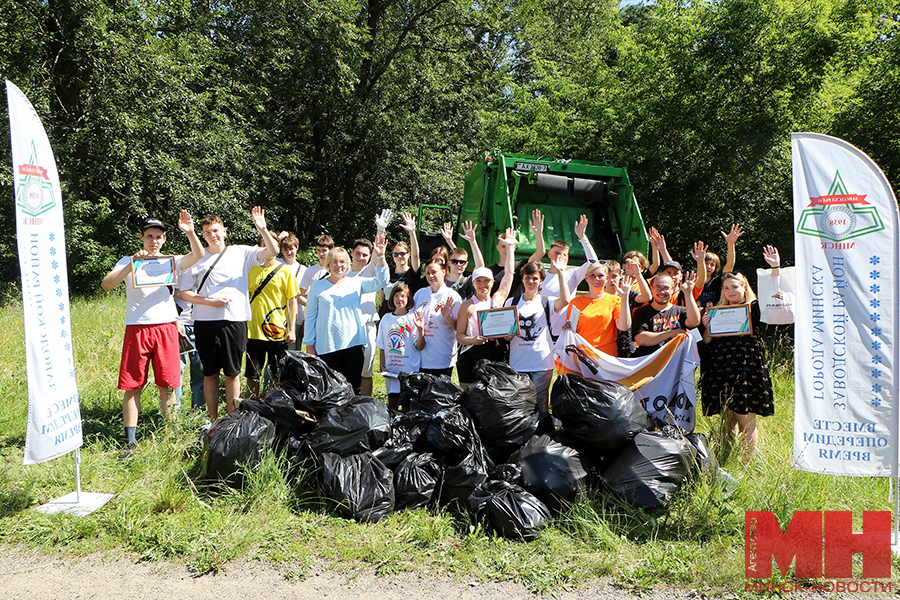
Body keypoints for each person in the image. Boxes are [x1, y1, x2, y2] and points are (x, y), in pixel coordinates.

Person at [100, 211, 204, 454]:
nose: (153, 241)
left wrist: (190, 231)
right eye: (149, 236)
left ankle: (171, 436)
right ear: (141, 238)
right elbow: (106, 284)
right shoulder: (128, 260)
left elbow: (198, 255)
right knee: (132, 385)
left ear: (164, 239)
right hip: (137, 327)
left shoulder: (171, 260)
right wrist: (132, 265)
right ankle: (130, 442)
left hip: (166, 327)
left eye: (158, 236)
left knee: (167, 383)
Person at [178, 207, 278, 421]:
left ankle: (232, 419)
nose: (212, 235)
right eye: (206, 232)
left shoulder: (241, 252)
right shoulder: (195, 258)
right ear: (202, 235)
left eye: (215, 230)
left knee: (233, 373)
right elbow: (185, 293)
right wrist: (209, 302)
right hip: (205, 322)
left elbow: (272, 252)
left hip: (234, 320)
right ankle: (213, 420)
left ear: (224, 231)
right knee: (209, 373)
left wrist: (263, 229)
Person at [700, 246, 779, 461]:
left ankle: (745, 465)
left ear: (744, 287)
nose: (730, 291)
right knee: (726, 419)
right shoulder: (714, 311)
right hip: (721, 367)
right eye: (726, 288)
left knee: (746, 419)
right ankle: (724, 459)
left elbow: (775, 294)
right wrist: (707, 327)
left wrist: (775, 268)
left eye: (734, 286)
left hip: (747, 368)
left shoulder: (755, 308)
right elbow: (707, 342)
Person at [303, 235, 389, 394]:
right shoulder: (317, 286)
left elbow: (381, 281)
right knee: (329, 389)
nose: (338, 265)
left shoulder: (356, 282)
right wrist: (310, 345)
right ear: (328, 264)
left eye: (342, 262)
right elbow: (310, 317)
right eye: (334, 261)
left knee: (352, 387)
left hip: (353, 345)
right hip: (326, 345)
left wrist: (381, 256)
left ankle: (349, 418)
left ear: (348, 264)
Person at [503, 255, 571, 410]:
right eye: (527, 278)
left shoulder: (547, 302)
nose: (531, 282)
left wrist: (561, 273)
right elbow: (506, 332)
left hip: (542, 361)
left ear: (541, 281)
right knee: (521, 402)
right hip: (518, 362)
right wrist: (507, 336)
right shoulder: (511, 302)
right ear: (522, 279)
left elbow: (565, 300)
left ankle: (542, 431)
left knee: (540, 402)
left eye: (535, 278)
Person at [455, 230, 516, 390]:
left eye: (486, 281)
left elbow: (509, 274)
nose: (483, 285)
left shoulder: (497, 300)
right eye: (479, 281)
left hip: (492, 354)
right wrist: (473, 340)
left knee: (490, 397)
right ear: (473, 284)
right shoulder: (467, 305)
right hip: (470, 355)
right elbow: (460, 336)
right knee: (468, 395)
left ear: (492, 283)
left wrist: (508, 336)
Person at [245, 231, 299, 398]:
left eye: (271, 244)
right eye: (263, 244)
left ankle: (278, 403)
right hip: (253, 331)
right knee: (252, 374)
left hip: (277, 331)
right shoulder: (250, 270)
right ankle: (251, 406)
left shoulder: (286, 271)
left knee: (279, 373)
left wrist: (292, 329)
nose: (266, 247)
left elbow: (292, 301)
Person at [564, 262, 633, 357]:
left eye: (600, 276)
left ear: (607, 278)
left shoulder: (615, 300)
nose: (596, 279)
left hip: (606, 356)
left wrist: (625, 298)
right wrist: (566, 327)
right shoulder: (575, 303)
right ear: (586, 278)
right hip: (582, 355)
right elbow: (571, 331)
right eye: (592, 275)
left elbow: (624, 327)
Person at [531, 212, 602, 300]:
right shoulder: (540, 275)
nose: (560, 257)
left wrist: (582, 237)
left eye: (564, 254)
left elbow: (594, 263)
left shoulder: (573, 275)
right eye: (557, 253)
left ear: (567, 258)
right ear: (549, 254)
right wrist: (538, 234)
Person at [377, 283, 425, 410]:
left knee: (407, 407)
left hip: (409, 370)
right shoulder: (386, 319)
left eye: (403, 296)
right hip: (392, 371)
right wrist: (382, 365)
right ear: (392, 298)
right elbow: (381, 345)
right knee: (392, 405)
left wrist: (421, 330)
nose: (399, 299)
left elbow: (420, 346)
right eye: (396, 296)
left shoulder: (412, 317)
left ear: (408, 298)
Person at [631, 272, 701, 357]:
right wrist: (671, 334)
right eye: (658, 288)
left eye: (666, 288)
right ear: (651, 289)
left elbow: (694, 322)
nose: (662, 292)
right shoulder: (641, 312)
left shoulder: (680, 310)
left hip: (676, 362)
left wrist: (688, 293)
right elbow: (641, 339)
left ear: (673, 289)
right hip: (652, 364)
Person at [412, 258, 461, 377]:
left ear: (444, 272)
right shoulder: (420, 294)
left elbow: (459, 329)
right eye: (428, 273)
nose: (430, 276)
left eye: (434, 272)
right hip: (421, 356)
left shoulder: (452, 296)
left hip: (442, 357)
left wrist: (447, 317)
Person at [347, 237, 381, 396]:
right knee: (348, 368)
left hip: (367, 324)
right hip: (347, 325)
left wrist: (380, 231)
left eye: (365, 255)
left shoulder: (370, 271)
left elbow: (377, 254)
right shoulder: (342, 273)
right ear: (352, 253)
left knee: (366, 369)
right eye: (358, 254)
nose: (361, 258)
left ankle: (365, 406)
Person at [378, 212, 421, 318]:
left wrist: (412, 232)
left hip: (404, 319)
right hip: (386, 317)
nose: (399, 257)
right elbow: (382, 298)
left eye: (402, 253)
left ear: (408, 255)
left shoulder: (412, 273)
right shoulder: (388, 272)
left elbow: (416, 257)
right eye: (396, 254)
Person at [697, 224, 743, 308]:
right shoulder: (693, 283)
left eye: (712, 265)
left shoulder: (718, 281)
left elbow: (729, 265)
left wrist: (730, 244)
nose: (709, 267)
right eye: (706, 263)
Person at [440, 220, 485, 299]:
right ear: (449, 263)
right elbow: (457, 254)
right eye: (454, 262)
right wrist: (449, 241)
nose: (458, 265)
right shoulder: (440, 281)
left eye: (462, 262)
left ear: (466, 264)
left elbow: (480, 267)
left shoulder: (468, 283)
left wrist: (473, 241)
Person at [277, 231, 307, 350]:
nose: (289, 252)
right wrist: (279, 238)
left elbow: (306, 296)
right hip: (278, 316)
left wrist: (305, 320)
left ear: (297, 248)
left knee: (294, 355)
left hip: (297, 318)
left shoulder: (304, 270)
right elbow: (263, 251)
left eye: (291, 249)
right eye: (285, 249)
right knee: (275, 357)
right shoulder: (276, 263)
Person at [298, 234, 335, 325]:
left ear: (331, 250)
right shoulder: (310, 271)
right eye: (318, 250)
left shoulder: (337, 269)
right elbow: (299, 296)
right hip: (316, 317)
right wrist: (314, 305)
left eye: (324, 250)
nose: (321, 254)